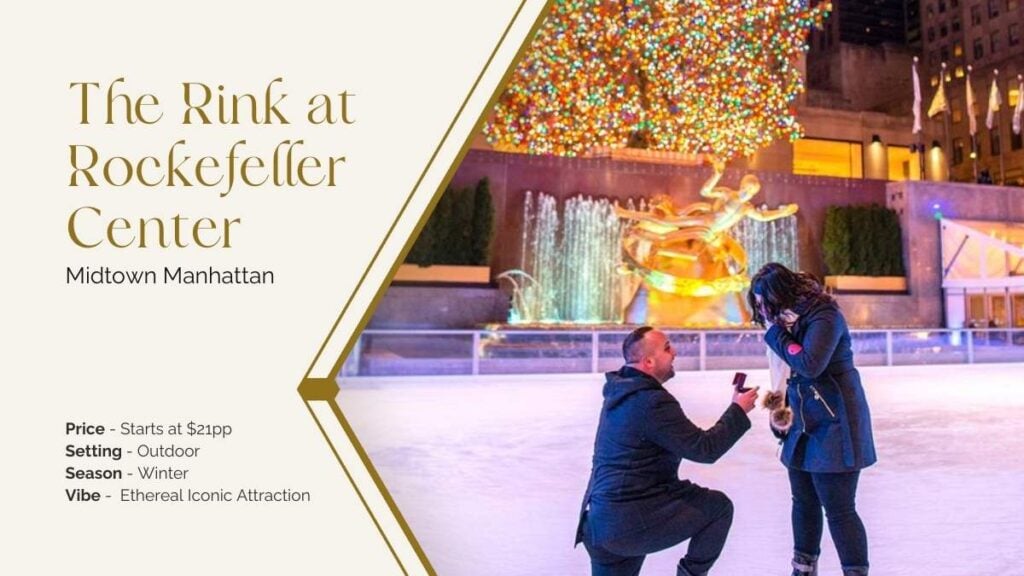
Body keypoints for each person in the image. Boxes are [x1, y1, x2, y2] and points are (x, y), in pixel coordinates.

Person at [575, 326, 758, 576]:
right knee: (718, 508)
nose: (675, 352)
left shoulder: (620, 392)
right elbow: (705, 450)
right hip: (629, 520)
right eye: (667, 348)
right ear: (649, 361)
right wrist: (738, 411)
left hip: (600, 523)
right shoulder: (651, 401)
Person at [747, 263, 877, 576]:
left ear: (784, 293)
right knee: (802, 500)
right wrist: (777, 412)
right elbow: (783, 375)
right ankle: (803, 569)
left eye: (767, 302)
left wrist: (776, 334)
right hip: (801, 421)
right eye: (759, 303)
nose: (764, 310)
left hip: (836, 421)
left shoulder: (824, 315)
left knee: (839, 508)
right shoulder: (788, 322)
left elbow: (809, 364)